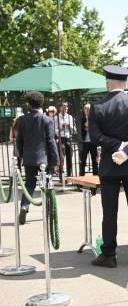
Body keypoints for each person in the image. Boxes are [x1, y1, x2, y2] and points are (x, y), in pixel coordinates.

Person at [89, 66, 128, 267]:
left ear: (107, 83)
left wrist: (115, 146)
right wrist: (126, 148)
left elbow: (94, 137)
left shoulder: (98, 107)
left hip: (109, 166)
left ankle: (109, 254)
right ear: (126, 83)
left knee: (109, 212)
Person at [15, 91, 59, 225]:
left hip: (29, 159)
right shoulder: (47, 120)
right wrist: (55, 161)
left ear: (29, 104)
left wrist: (22, 155)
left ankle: (24, 207)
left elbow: (19, 141)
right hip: (44, 160)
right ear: (42, 103)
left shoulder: (22, 120)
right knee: (47, 186)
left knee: (29, 185)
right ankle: (49, 211)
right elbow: (51, 142)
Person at [55, 102, 75, 177]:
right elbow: (55, 130)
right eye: (64, 106)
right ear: (60, 108)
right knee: (61, 157)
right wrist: (61, 128)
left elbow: (74, 130)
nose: (66, 108)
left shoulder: (70, 117)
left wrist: (70, 125)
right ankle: (61, 174)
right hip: (61, 139)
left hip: (68, 138)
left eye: (66, 107)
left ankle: (69, 174)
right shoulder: (57, 118)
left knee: (69, 156)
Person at [80, 103, 98, 176]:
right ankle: (81, 176)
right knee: (83, 161)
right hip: (85, 142)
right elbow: (80, 129)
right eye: (86, 109)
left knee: (94, 161)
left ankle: (95, 176)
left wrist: (89, 128)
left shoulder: (94, 118)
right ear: (84, 110)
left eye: (89, 109)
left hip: (93, 142)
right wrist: (86, 128)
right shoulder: (82, 119)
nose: (88, 111)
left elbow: (96, 128)